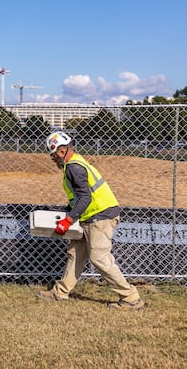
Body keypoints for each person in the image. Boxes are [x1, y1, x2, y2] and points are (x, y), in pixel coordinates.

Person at [36, 131, 144, 310]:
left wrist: (68, 220)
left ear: (62, 151)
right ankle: (60, 292)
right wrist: (70, 213)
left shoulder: (74, 168)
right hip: (89, 216)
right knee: (76, 252)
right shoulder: (74, 163)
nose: (53, 159)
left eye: (54, 155)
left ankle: (131, 298)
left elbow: (85, 198)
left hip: (100, 217)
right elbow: (79, 198)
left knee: (99, 258)